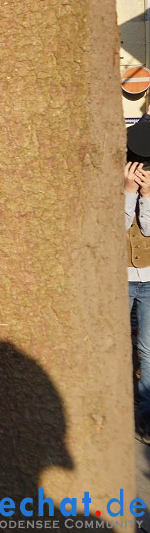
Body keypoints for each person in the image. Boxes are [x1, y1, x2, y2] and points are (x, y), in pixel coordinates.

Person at [126, 118, 150, 442]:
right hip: (120, 278)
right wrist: (129, 191)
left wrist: (146, 195)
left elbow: (148, 228)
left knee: (147, 348)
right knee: (118, 346)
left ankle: (146, 415)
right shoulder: (118, 180)